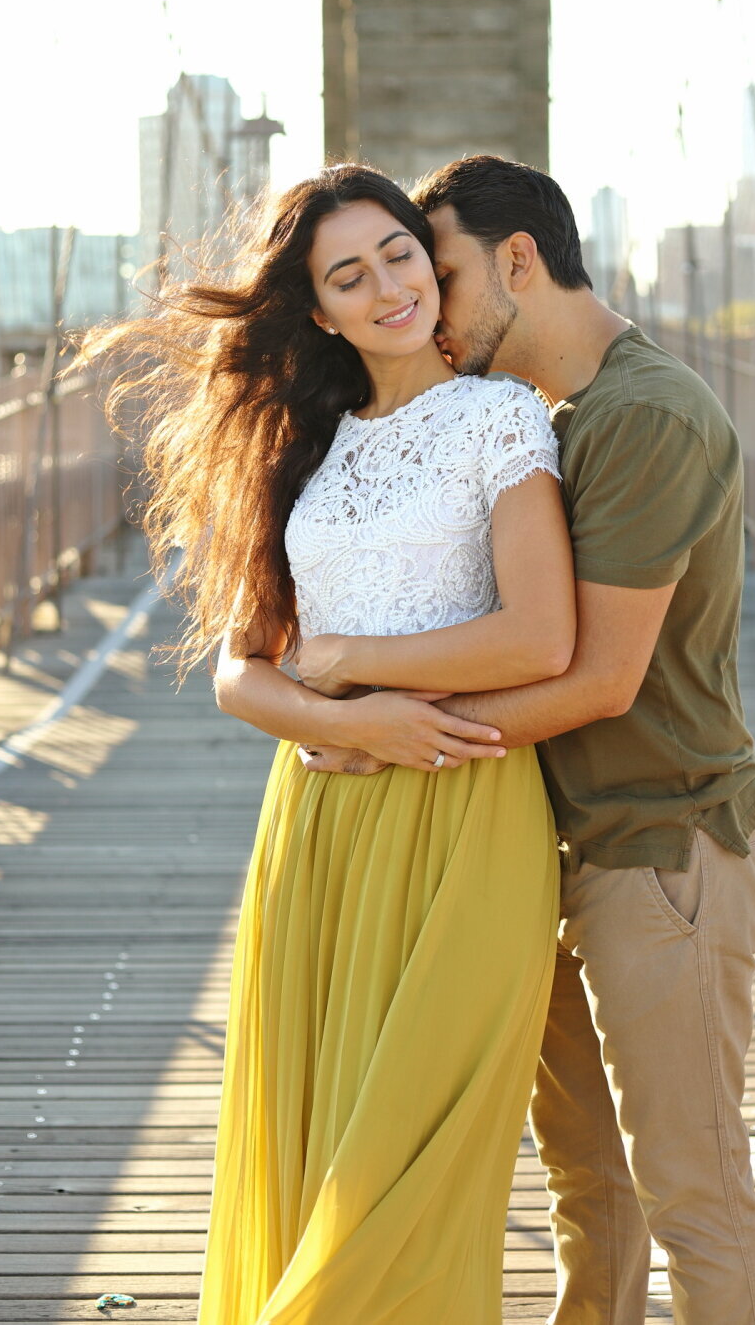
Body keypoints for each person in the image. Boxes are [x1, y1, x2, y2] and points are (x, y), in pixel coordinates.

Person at [76, 164, 577, 1325]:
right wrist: (341, 717)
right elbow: (242, 671)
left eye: (400, 254)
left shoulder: (499, 417)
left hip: (463, 811)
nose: (387, 286)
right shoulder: (307, 447)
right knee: (318, 1161)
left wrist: (353, 662)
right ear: (318, 311)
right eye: (348, 276)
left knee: (407, 1177)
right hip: (320, 824)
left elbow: (540, 634)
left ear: (431, 258)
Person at [301, 155, 755, 1325]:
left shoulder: (646, 416)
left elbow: (601, 679)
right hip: (542, 849)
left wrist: (383, 738)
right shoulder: (545, 417)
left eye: (437, 267)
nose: (422, 302)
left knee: (693, 1196)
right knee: (591, 1191)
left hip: (661, 851)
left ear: (517, 262)